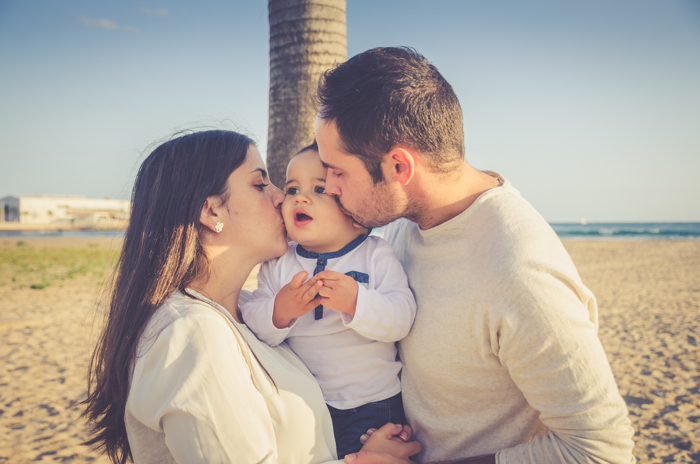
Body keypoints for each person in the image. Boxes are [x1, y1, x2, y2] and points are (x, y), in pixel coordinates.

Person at [313, 47, 636, 464]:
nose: (330, 186)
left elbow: (601, 450)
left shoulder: (520, 272)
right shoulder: (401, 222)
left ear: (398, 167)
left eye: (337, 170)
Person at [81, 130, 422, 464]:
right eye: (261, 184)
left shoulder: (242, 311)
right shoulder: (192, 333)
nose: (282, 198)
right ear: (212, 212)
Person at [241, 143, 417, 459]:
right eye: (292, 188)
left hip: (373, 404)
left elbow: (402, 318)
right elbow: (253, 321)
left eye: (319, 189)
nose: (299, 197)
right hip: (306, 405)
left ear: (356, 214)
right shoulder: (279, 263)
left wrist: (357, 302)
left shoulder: (374, 253)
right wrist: (280, 312)